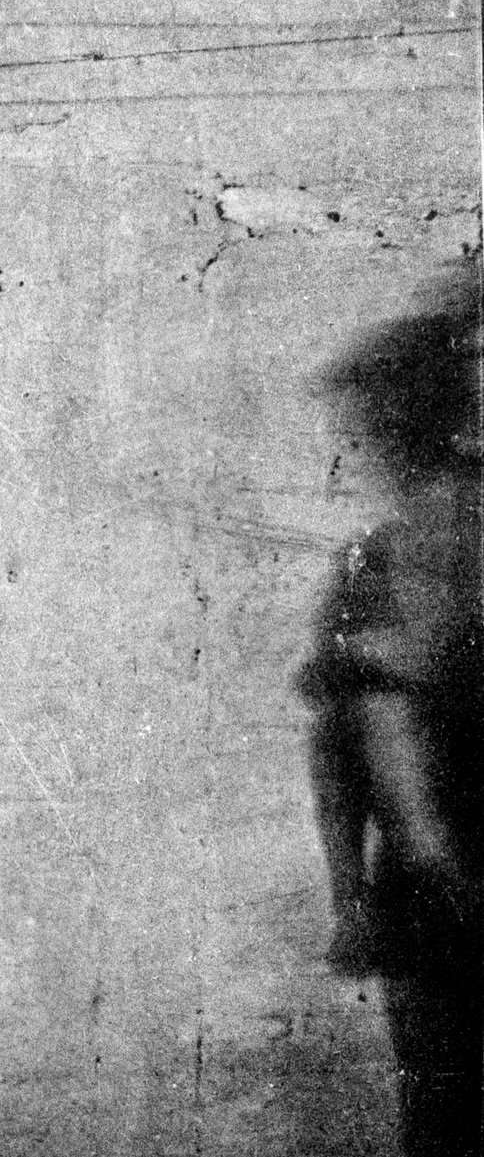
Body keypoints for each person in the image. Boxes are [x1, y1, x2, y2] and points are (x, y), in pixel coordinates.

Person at [300, 262, 482, 1157]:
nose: (360, 442)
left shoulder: (388, 554)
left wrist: (366, 890)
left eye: (369, 422)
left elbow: (355, 733)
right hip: (440, 888)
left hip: (440, 892)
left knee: (445, 1121)